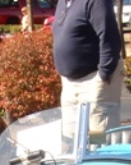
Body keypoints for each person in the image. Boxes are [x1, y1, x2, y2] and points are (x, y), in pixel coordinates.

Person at [52, 0, 123, 142]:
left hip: (95, 79)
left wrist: (104, 74)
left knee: (100, 136)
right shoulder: (63, 2)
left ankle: (102, 156)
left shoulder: (96, 2)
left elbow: (109, 38)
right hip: (69, 83)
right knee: (72, 137)